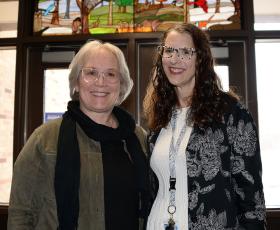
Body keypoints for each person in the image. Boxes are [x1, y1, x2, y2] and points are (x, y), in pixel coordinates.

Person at [8, 40, 149, 230]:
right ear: (76, 81)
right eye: (91, 73)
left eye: (110, 74)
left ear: (122, 84)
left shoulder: (138, 137)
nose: (101, 82)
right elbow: (21, 213)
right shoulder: (45, 139)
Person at [143, 23, 266, 230]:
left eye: (185, 52)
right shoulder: (160, 115)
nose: (175, 59)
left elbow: (250, 192)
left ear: (200, 58)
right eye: (169, 50)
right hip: (158, 223)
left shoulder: (230, 112)